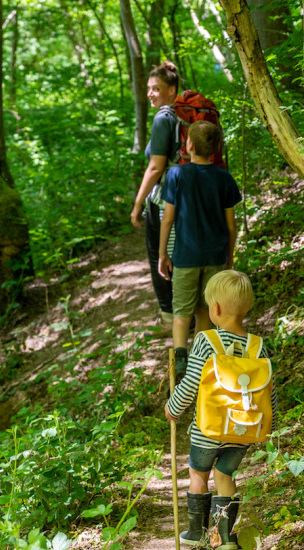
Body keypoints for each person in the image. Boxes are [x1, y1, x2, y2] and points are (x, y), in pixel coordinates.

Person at [165, 270, 277, 548]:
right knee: (225, 476)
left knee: (198, 475)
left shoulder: (206, 341)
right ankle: (224, 537)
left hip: (209, 429)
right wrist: (266, 426)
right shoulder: (257, 346)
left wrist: (173, 407)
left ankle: (198, 534)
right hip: (244, 430)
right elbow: (267, 391)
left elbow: (191, 383)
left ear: (214, 308)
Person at [158, 120, 241, 376]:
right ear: (216, 148)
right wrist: (229, 260)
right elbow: (230, 227)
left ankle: (180, 360)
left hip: (185, 257)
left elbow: (168, 219)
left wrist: (162, 254)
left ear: (189, 144)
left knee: (181, 313)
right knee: (205, 310)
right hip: (214, 257)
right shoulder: (224, 177)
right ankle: (200, 362)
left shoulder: (176, 174)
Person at [131, 61, 180, 334]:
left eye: (156, 88)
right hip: (185, 195)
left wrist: (138, 203)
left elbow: (155, 167)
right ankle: (187, 314)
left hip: (163, 200)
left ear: (171, 90)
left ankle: (170, 319)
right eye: (148, 89)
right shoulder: (182, 116)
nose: (150, 93)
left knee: (159, 258)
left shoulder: (163, 118)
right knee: (177, 256)